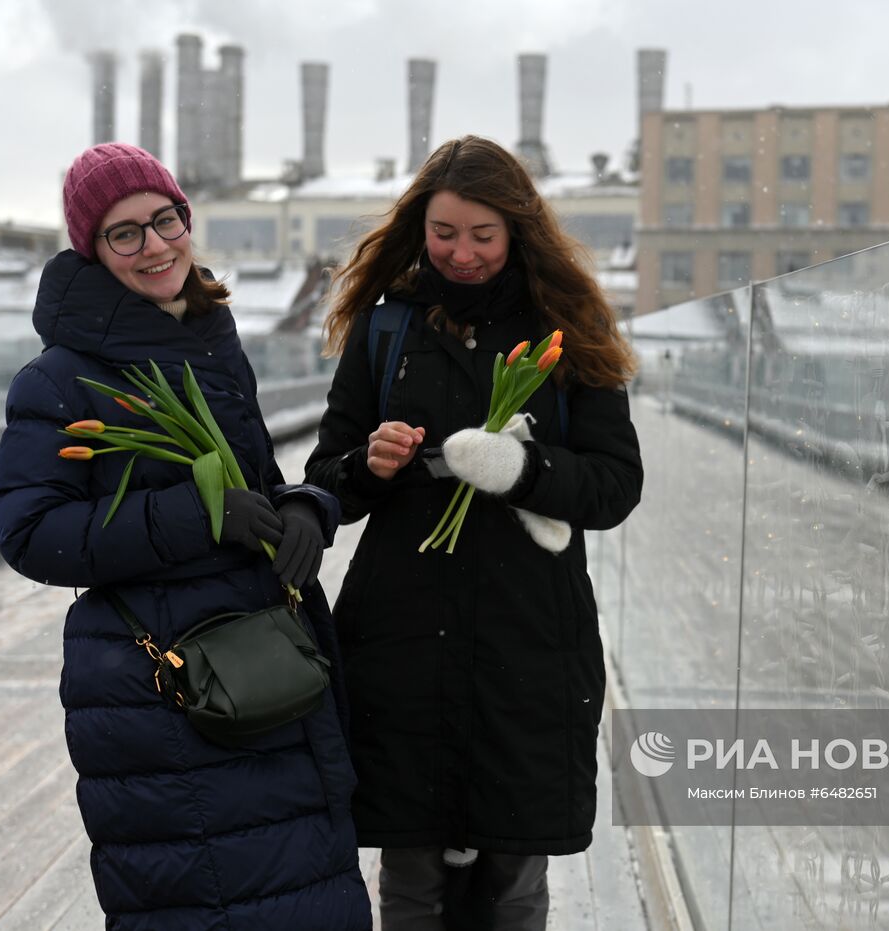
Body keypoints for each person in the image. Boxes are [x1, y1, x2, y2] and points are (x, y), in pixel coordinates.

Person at [0, 143, 371, 930]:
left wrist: (302, 508)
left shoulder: (209, 342)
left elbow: (255, 484)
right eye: (123, 233)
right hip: (173, 694)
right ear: (90, 252)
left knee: (306, 896)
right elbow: (30, 532)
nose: (155, 245)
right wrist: (198, 518)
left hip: (266, 667)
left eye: (165, 220)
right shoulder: (60, 379)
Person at [304, 135, 642, 929]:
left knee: (514, 875)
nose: (460, 253)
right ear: (420, 224)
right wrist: (368, 462)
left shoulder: (569, 325)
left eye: (482, 236)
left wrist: (520, 470)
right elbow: (326, 479)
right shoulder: (388, 326)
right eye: (443, 232)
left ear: (518, 230)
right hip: (402, 636)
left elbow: (615, 484)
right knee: (410, 873)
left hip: (526, 640)